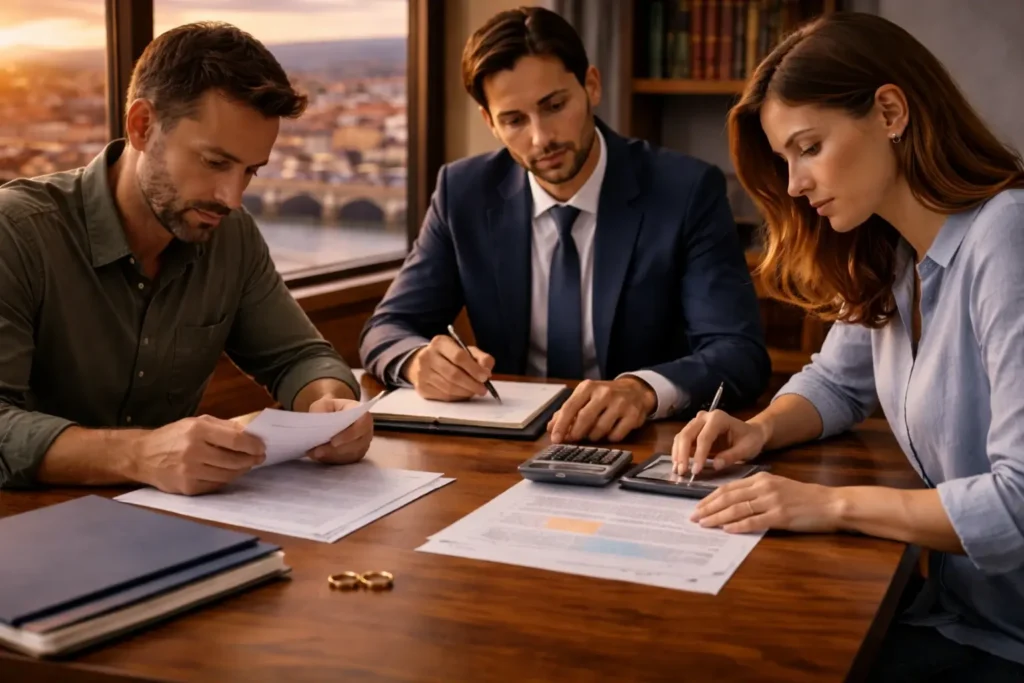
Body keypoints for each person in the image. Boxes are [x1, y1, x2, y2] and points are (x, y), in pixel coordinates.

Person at [670, 12, 1024, 682]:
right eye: (784, 160)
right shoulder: (894, 250)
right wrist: (757, 429)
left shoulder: (1007, 238)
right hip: (951, 610)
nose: (796, 185)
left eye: (809, 147)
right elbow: (835, 383)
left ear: (890, 110)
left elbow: (1018, 503)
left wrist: (826, 503)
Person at [359, 7, 770, 444]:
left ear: (591, 86)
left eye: (554, 106)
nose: (541, 138)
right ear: (490, 123)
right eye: (514, 120)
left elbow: (738, 354)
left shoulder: (685, 190)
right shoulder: (463, 193)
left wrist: (642, 390)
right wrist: (418, 361)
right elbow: (387, 329)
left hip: (641, 444)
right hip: (506, 443)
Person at [0, 22, 373, 496]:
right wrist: (140, 454)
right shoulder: (16, 232)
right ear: (141, 127)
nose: (232, 198)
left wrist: (330, 407)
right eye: (215, 163)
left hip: (174, 525)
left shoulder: (230, 235)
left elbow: (300, 356)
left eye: (250, 171)